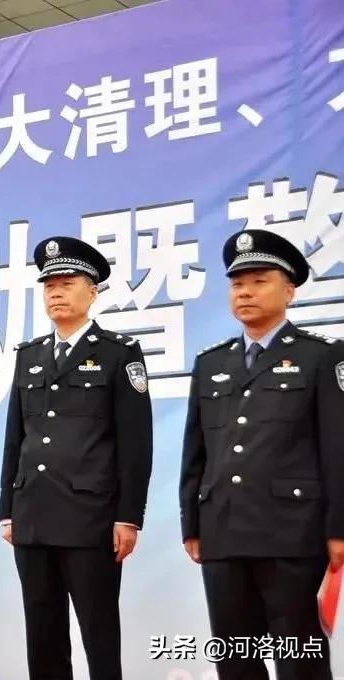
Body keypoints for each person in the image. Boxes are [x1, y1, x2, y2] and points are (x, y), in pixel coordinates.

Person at [179, 229, 344, 680]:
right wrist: (192, 523)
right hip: (223, 530)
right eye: (237, 283)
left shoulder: (322, 358)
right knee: (234, 655)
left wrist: (338, 529)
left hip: (291, 532)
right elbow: (197, 450)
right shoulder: (212, 363)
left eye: (259, 280)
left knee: (298, 656)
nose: (245, 291)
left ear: (289, 291)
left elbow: (337, 447)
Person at [0, 236, 153, 680]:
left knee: (99, 635)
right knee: (42, 635)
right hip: (33, 517)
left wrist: (129, 517)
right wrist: (7, 508)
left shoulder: (118, 354)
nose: (56, 292)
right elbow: (16, 438)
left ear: (93, 291)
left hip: (91, 519)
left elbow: (135, 442)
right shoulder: (29, 356)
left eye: (67, 282)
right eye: (48, 285)